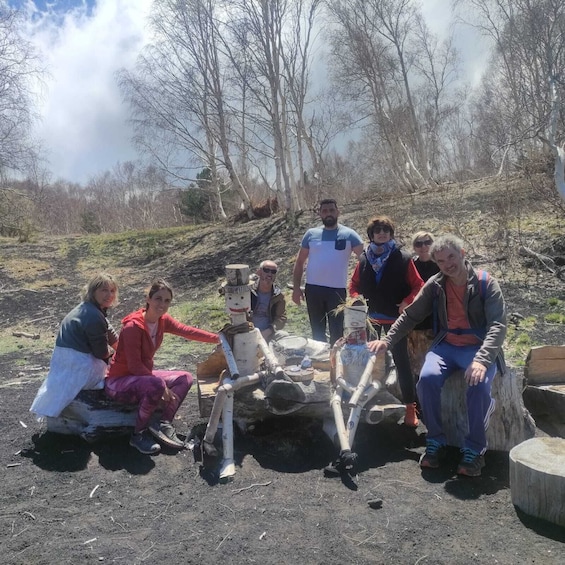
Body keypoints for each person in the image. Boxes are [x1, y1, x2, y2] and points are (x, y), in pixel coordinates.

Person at [367, 235, 507, 477]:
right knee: (427, 380)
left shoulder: (486, 283)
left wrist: (483, 360)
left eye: (451, 257)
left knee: (478, 385)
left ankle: (475, 449)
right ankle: (436, 440)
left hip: (477, 348)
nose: (447, 264)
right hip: (446, 346)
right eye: (441, 261)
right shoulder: (436, 284)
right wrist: (387, 340)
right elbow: (411, 315)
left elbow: (497, 325)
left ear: (462, 253)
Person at [105, 278, 218, 455]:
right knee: (157, 384)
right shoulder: (132, 326)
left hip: (142, 378)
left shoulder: (162, 320)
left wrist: (218, 338)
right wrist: (161, 384)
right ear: (148, 299)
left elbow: (187, 330)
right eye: (158, 298)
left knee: (185, 378)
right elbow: (134, 366)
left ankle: (163, 423)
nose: (162, 304)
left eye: (167, 301)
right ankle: (138, 435)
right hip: (118, 382)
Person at [349, 216, 424, 427]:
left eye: (386, 229)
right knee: (367, 361)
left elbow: (419, 285)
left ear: (391, 233)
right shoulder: (364, 259)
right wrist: (356, 299)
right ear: (371, 235)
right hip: (370, 319)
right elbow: (354, 284)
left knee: (402, 363)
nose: (381, 233)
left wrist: (407, 302)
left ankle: (411, 408)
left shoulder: (403, 257)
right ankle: (367, 400)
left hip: (396, 321)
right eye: (377, 230)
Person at [30, 273, 119, 419]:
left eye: (112, 291)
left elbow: (110, 333)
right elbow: (101, 353)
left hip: (63, 362)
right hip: (78, 365)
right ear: (92, 291)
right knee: (112, 373)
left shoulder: (87, 308)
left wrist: (124, 349)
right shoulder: (93, 316)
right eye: (104, 290)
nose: (109, 295)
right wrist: (113, 352)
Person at [292, 198, 363, 345]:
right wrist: (296, 289)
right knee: (317, 332)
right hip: (313, 290)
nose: (328, 213)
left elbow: (365, 260)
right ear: (320, 214)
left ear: (338, 212)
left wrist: (362, 286)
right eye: (324, 211)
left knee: (336, 332)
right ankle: (320, 363)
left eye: (331, 210)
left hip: (336, 291)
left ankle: (335, 363)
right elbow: (299, 263)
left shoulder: (350, 235)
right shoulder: (311, 234)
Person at [249, 260, 287, 341]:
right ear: (259, 272)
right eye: (266, 270)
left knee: (284, 335)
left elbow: (281, 318)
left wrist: (269, 331)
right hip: (248, 330)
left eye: (273, 272)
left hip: (268, 332)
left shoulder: (278, 296)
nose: (269, 274)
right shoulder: (248, 291)